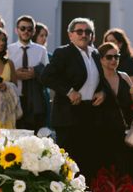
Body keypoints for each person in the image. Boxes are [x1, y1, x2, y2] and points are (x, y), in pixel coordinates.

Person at [40, 18, 105, 182]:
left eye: (88, 32)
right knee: (68, 166)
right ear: (70, 35)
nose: (84, 35)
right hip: (68, 115)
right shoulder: (63, 53)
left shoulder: (96, 54)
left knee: (88, 165)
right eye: (80, 31)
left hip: (91, 114)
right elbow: (46, 77)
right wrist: (68, 91)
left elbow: (103, 80)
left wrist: (103, 92)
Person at [89, 42, 133, 192]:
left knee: (123, 170)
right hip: (100, 131)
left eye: (116, 57)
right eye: (109, 57)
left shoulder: (124, 77)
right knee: (102, 171)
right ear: (101, 59)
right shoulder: (95, 78)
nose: (113, 61)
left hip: (120, 132)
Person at [8, 15, 49, 133]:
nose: (26, 31)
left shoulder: (41, 50)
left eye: (29, 29)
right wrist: (14, 74)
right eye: (23, 28)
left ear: (34, 31)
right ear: (17, 30)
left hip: (35, 101)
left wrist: (36, 73)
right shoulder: (8, 49)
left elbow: (47, 74)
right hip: (15, 98)